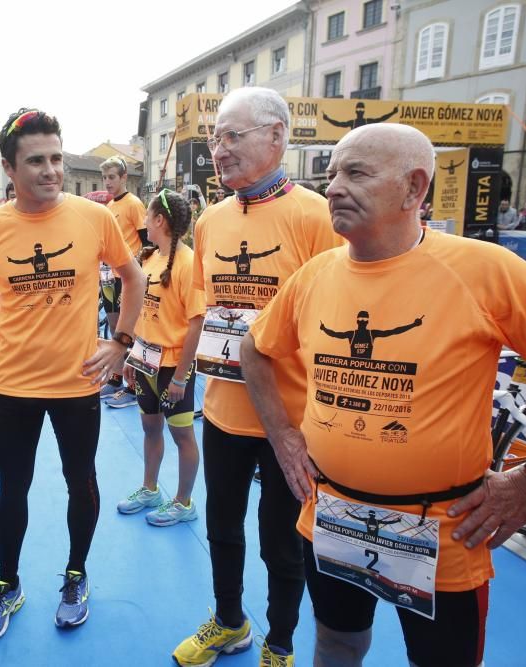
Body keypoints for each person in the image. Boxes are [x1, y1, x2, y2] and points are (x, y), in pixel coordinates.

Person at [241, 122, 526, 667]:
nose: (333, 186)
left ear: (414, 189)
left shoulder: (487, 271)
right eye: (332, 173)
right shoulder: (313, 276)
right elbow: (254, 349)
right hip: (331, 514)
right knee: (336, 642)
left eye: (356, 172)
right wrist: (284, 436)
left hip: (445, 530)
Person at [171, 87, 341, 667]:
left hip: (291, 419)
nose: (219, 150)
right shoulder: (212, 219)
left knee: (282, 540)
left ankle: (282, 642)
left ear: (277, 136)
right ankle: (228, 621)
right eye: (215, 138)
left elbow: (338, 315)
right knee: (221, 526)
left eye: (231, 136)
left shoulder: (318, 216)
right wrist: (180, 376)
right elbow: (207, 305)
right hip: (222, 409)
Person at [0, 108, 144, 642]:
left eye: (56, 159)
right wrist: (5, 361)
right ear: (8, 167)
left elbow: (134, 279)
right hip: (17, 389)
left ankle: (75, 573)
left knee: (80, 481)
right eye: (37, 161)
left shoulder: (96, 218)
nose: (51, 170)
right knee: (12, 488)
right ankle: (7, 582)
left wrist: (120, 344)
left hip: (77, 385)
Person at [117, 189, 205, 527]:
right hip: (145, 363)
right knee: (149, 426)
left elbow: (197, 323)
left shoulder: (188, 264)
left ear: (159, 220)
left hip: (173, 367)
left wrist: (182, 376)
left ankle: (184, 502)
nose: (143, 223)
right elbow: (143, 315)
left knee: (182, 435)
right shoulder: (149, 259)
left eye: (147, 216)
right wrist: (130, 356)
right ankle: (150, 489)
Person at [99, 155, 148, 409]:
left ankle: (134, 385)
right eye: (105, 177)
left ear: (124, 177)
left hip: (127, 277)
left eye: (112, 177)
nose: (107, 182)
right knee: (113, 326)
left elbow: (147, 242)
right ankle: (117, 379)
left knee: (130, 330)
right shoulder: (107, 208)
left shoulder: (134, 204)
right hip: (108, 276)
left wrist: (135, 264)